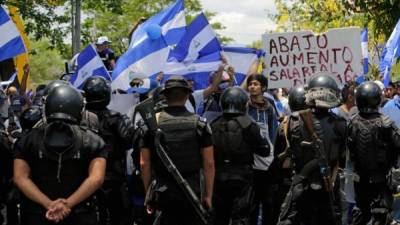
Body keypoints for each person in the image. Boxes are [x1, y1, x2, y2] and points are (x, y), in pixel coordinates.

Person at [13, 85, 107, 225]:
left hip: (38, 214)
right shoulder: (93, 140)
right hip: (80, 213)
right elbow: (96, 178)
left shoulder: (27, 140)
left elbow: (20, 178)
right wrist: (67, 204)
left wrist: (48, 204)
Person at [139, 76, 215, 225]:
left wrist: (149, 194)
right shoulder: (200, 124)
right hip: (192, 192)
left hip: (162, 191)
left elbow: (143, 164)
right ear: (187, 96)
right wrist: (208, 195)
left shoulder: (150, 126)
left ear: (165, 95)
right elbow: (209, 164)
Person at [278, 73, 346, 225]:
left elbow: (281, 160)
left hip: (303, 188)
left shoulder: (292, 122)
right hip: (324, 190)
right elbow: (342, 160)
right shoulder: (341, 124)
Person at [211, 87, 270, 225]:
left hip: (218, 179)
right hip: (242, 179)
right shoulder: (249, 124)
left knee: (219, 217)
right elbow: (265, 150)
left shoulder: (212, 124)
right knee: (241, 218)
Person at [82, 76, 135, 225]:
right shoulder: (117, 118)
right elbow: (129, 141)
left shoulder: (78, 119)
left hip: (86, 178)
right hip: (112, 176)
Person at [348, 81, 400, 225]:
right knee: (381, 216)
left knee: (360, 214)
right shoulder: (386, 124)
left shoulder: (351, 123)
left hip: (361, 181)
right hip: (381, 181)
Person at [245, 74, 278, 225]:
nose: (252, 86)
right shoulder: (244, 105)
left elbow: (273, 132)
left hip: (267, 158)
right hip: (249, 158)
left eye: (256, 84)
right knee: (252, 200)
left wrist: (271, 154)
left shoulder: (270, 108)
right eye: (250, 84)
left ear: (263, 88)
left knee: (268, 199)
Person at [273, 86, 308, 225]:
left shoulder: (285, 124)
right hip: (297, 179)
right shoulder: (285, 124)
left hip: (292, 178)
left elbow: (277, 155)